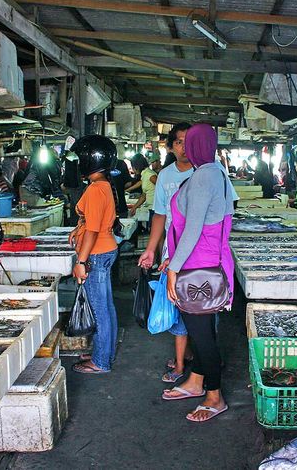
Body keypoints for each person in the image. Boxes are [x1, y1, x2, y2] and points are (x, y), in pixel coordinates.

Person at [161, 124, 234, 423]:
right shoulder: (214, 172)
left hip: (198, 269)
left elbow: (193, 228)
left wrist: (174, 269)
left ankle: (215, 397)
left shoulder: (205, 176)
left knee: (202, 335)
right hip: (202, 263)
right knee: (200, 330)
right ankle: (196, 381)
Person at [138, 122, 194, 383]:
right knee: (178, 304)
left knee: (202, 306)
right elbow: (160, 214)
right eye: (179, 142)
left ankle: (198, 357)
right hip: (172, 250)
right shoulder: (166, 176)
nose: (184, 147)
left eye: (189, 141)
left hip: (199, 251)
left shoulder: (209, 172)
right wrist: (152, 249)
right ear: (171, 146)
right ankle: (181, 364)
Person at [69, 135, 122, 374]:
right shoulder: (104, 186)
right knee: (107, 307)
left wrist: (81, 261)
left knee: (101, 309)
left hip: (96, 254)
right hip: (106, 247)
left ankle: (101, 362)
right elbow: (92, 221)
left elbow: (92, 229)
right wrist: (77, 229)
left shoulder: (94, 189)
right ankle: (105, 352)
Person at [128, 153, 160, 219]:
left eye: (133, 167)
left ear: (136, 166)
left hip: (154, 210)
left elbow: (162, 189)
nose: (133, 169)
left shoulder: (150, 175)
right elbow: (144, 195)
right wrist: (134, 208)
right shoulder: (144, 174)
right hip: (150, 209)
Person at [61, 153, 85, 227]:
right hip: (75, 184)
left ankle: (76, 225)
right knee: (77, 206)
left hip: (75, 184)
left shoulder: (71, 156)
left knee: (76, 206)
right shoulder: (72, 157)